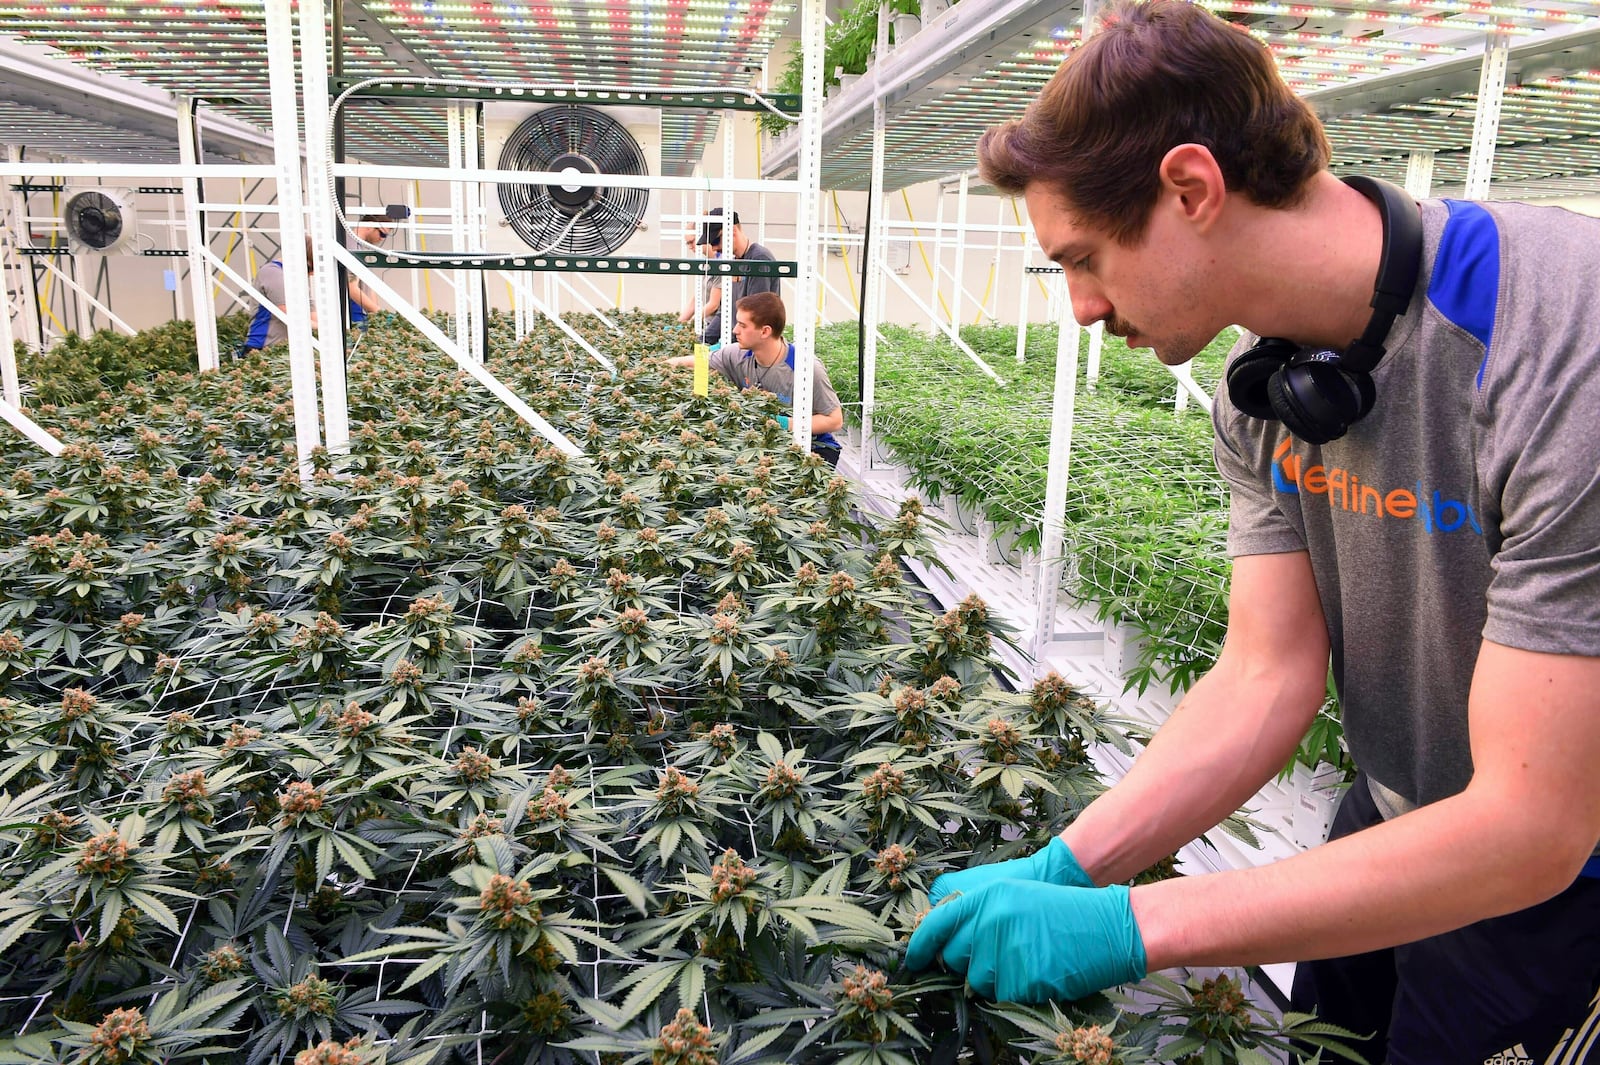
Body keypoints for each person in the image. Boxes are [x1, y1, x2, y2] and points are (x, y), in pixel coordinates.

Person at [902, 3, 1600, 1063]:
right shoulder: (1264, 392)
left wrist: (1139, 929)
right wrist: (1072, 865)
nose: (1081, 307)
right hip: (1398, 815)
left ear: (1190, 189)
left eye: (1083, 258)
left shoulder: (1560, 345)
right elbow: (1266, 674)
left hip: (1563, 880)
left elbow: (1532, 825)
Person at [669, 292, 845, 467]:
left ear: (765, 331)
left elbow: (834, 420)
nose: (735, 330)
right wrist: (664, 365)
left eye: (742, 325)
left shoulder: (805, 367)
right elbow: (700, 361)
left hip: (813, 447)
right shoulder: (738, 354)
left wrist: (783, 423)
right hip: (766, 444)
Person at [676, 208, 781, 345]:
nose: (713, 248)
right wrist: (704, 339)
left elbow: (756, 316)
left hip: (754, 347)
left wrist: (728, 349)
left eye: (715, 242)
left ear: (732, 231)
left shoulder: (759, 259)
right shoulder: (734, 261)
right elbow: (727, 309)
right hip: (738, 342)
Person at [238, 235, 318, 357]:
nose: (312, 274)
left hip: (282, 349)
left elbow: (312, 312)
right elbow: (290, 314)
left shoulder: (296, 279)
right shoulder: (272, 273)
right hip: (263, 349)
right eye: (311, 268)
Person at [345, 213, 391, 328]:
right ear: (370, 226)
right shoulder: (352, 247)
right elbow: (352, 288)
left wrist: (375, 312)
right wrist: (377, 312)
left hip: (362, 307)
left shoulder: (361, 247)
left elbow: (369, 286)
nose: (382, 239)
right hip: (354, 307)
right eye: (382, 234)